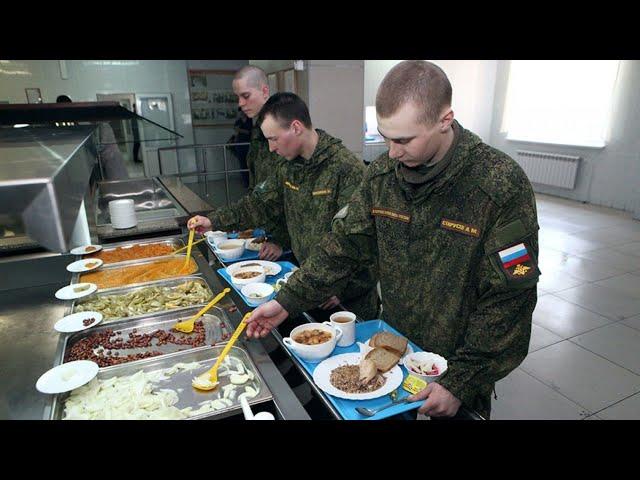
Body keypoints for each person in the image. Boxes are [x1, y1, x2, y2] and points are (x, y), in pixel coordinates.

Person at [245, 61, 540, 419]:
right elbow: (343, 246)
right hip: (392, 349)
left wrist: (462, 380)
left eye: (403, 140)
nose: (393, 152)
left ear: (445, 119)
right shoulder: (383, 177)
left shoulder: (498, 184)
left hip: (459, 362)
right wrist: (287, 301)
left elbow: (510, 300)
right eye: (385, 137)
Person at [188, 92, 379, 320]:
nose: (271, 148)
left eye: (273, 138)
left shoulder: (346, 169)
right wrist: (213, 221)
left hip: (346, 300)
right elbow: (260, 203)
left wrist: (344, 288)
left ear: (296, 127)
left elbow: (363, 242)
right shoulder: (288, 166)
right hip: (308, 284)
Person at [56, 94, 129, 180]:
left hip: (112, 158)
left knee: (117, 180)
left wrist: (90, 147)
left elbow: (100, 145)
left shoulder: (104, 126)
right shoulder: (95, 126)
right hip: (103, 160)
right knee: (110, 179)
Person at [228, 107, 252, 187]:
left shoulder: (250, 120)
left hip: (248, 145)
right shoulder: (238, 121)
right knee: (242, 164)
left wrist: (240, 130)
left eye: (243, 112)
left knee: (249, 163)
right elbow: (236, 131)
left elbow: (249, 132)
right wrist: (240, 131)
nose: (241, 113)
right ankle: (246, 182)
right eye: (240, 112)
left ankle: (250, 182)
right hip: (239, 145)